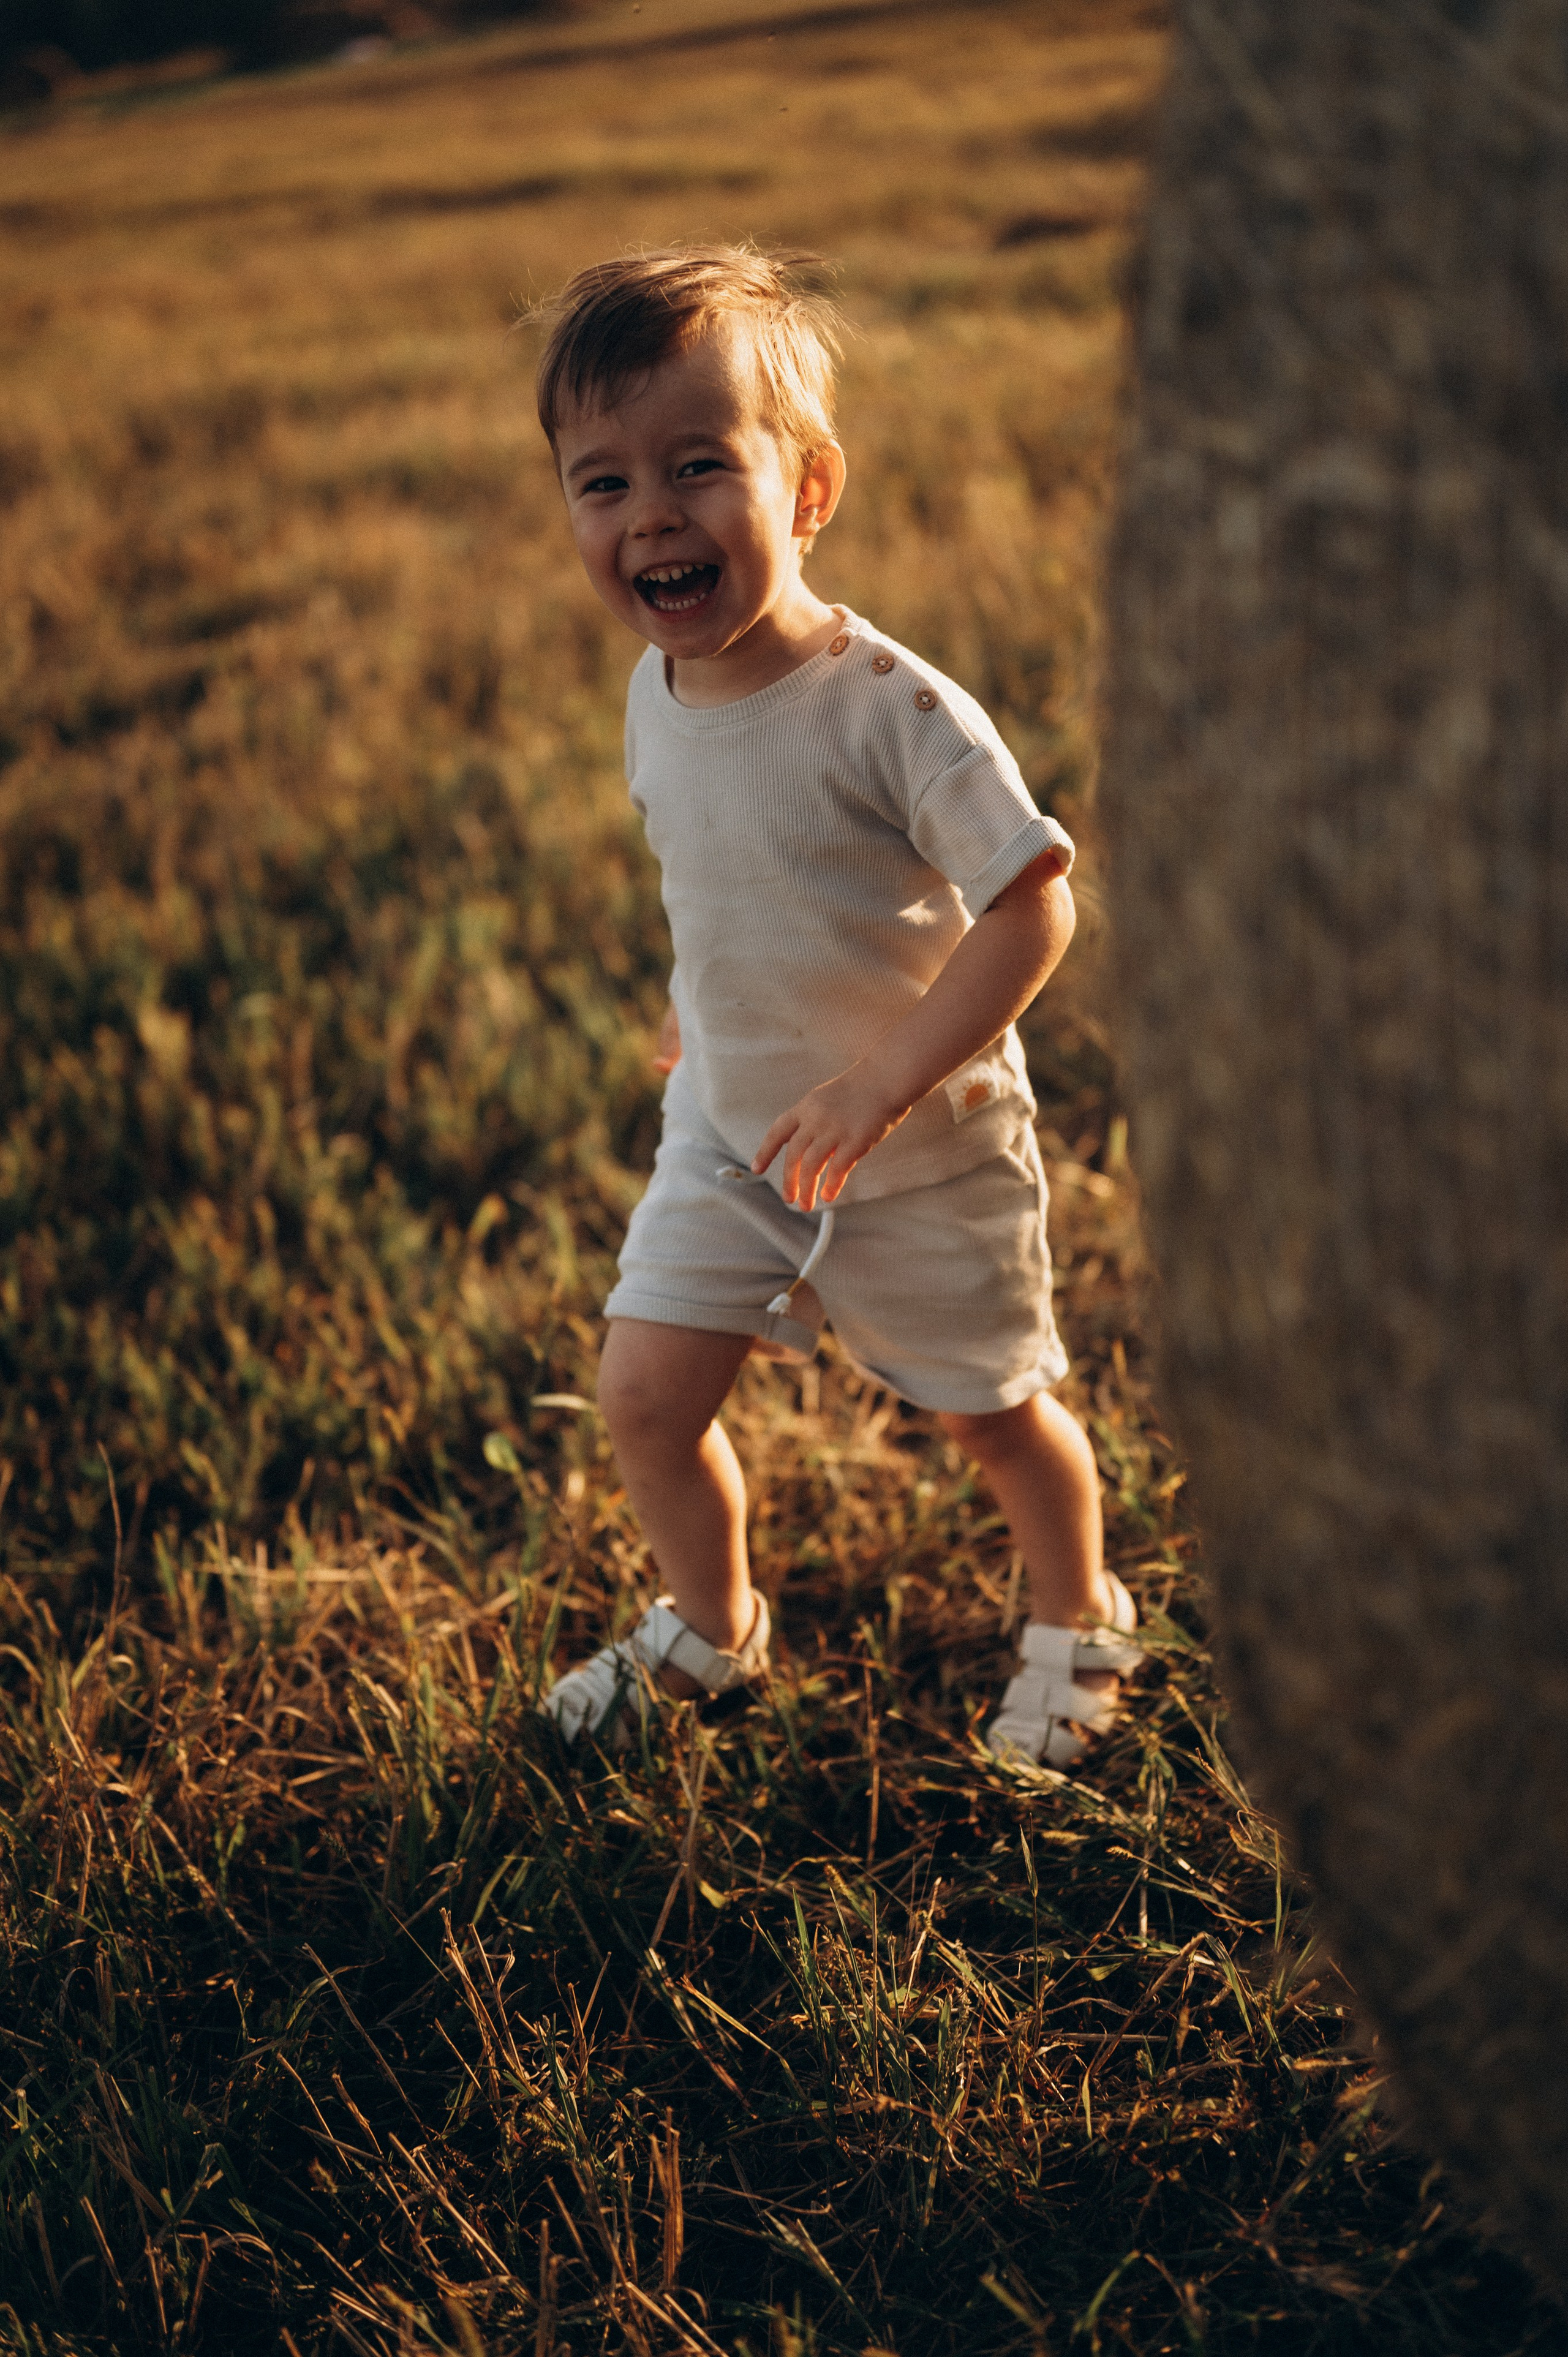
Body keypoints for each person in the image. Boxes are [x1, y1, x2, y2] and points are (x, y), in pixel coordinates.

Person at [532, 244, 1142, 1768]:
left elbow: (1031, 902)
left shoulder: (891, 708)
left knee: (991, 1417)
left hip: (917, 1149)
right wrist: (711, 1022)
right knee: (643, 1393)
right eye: (601, 484)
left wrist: (875, 1083)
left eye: (695, 466)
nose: (650, 515)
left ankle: (1080, 1619)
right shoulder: (652, 693)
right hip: (735, 1134)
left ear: (806, 491)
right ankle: (708, 1628)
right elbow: (734, 889)